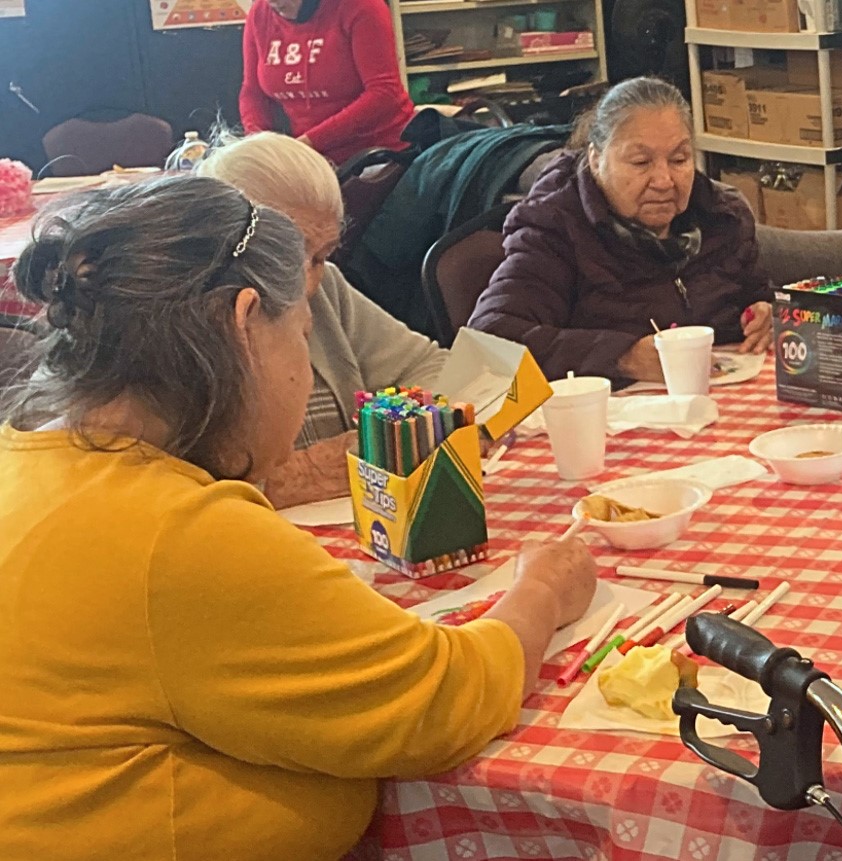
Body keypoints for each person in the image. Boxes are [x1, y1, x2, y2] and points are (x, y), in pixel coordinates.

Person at [0, 175, 597, 860]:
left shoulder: (25, 460)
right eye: (303, 334)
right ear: (246, 322)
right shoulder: (180, 530)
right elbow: (445, 700)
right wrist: (543, 589)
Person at [195, 131, 447, 509]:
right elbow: (164, 487)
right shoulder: (184, 323)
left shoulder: (328, 288)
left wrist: (391, 432)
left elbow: (432, 367)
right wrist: (297, 476)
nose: (307, 282)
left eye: (321, 256)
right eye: (287, 253)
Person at [469, 77, 772, 383]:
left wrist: (766, 316)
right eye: (641, 162)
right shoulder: (556, 227)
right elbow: (489, 339)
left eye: (679, 159)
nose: (665, 180)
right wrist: (622, 357)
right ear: (596, 160)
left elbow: (758, 298)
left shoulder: (722, 218)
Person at [238, 0, 415, 164]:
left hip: (379, 152)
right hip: (311, 156)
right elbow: (253, 92)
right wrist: (258, 145)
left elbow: (385, 93)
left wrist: (308, 143)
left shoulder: (362, 6)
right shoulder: (260, 12)